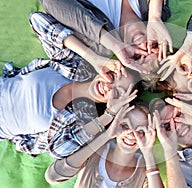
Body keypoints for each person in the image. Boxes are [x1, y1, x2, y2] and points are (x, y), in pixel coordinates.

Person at [0, 12, 144, 159]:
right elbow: (38, 20)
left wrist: (109, 115)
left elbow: (58, 150)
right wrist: (93, 58)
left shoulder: (85, 121)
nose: (108, 86)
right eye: (113, 76)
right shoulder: (73, 65)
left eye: (117, 93)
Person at [45, 102, 164, 188]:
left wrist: (148, 152)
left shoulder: (144, 172)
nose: (131, 134)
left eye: (141, 131)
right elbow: (53, 176)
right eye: (125, 126)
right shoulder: (95, 151)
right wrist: (107, 135)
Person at [39, 0, 172, 72]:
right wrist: (155, 16)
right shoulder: (157, 11)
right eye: (153, 45)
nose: (143, 45)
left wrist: (113, 44)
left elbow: (50, 2)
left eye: (138, 56)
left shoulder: (100, 40)